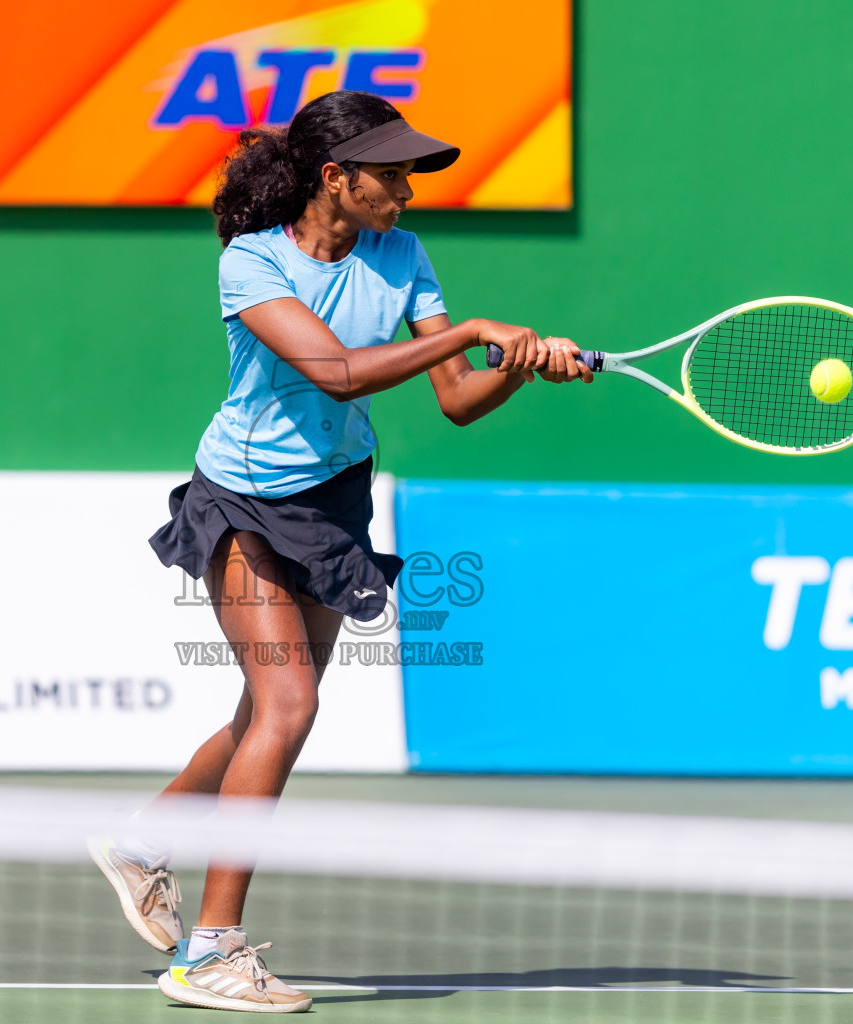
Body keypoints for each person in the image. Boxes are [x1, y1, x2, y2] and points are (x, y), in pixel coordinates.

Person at [89, 89, 590, 1013]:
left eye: (409, 174)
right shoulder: (253, 261)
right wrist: (485, 330)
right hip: (241, 497)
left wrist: (515, 367)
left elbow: (455, 397)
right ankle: (210, 955)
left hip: (333, 502)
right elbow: (337, 369)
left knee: (259, 719)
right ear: (335, 177)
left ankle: (139, 843)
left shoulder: (403, 255)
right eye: (390, 173)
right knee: (290, 701)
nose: (405, 190)